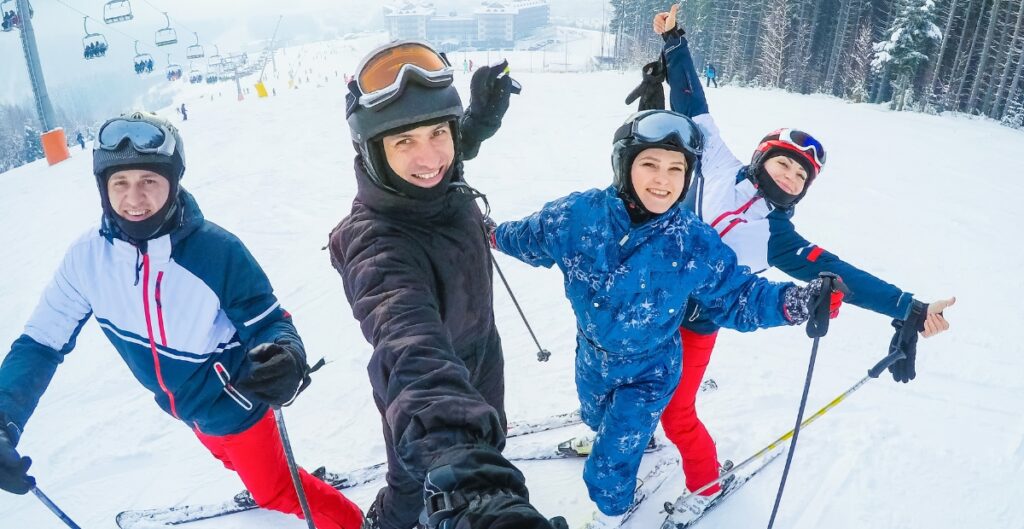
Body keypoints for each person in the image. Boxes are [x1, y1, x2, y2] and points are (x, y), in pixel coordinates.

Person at [643, 4, 956, 517]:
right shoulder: (717, 162)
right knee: (629, 383)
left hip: (699, 323)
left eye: (801, 177)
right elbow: (692, 102)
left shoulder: (778, 239)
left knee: (679, 414)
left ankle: (705, 486)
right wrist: (674, 42)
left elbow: (845, 274)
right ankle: (631, 437)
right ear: (762, 156)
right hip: (651, 299)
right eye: (784, 163)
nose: (790, 177)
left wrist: (911, 307)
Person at [0, 112, 364, 529]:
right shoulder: (87, 261)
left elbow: (269, 322)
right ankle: (265, 472)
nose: (134, 199)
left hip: (237, 407)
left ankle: (353, 521)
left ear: (172, 184)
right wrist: (3, 415)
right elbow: (40, 343)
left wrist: (286, 355)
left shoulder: (217, 251)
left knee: (278, 490)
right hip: (188, 411)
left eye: (149, 182)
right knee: (231, 458)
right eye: (120, 183)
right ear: (103, 187)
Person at [489, 108, 843, 524]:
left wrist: (794, 302)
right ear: (625, 165)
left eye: (677, 169)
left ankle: (609, 514)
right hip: (593, 357)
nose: (663, 180)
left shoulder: (691, 241)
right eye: (650, 164)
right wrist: (488, 233)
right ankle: (620, 438)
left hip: (652, 370)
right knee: (596, 416)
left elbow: (737, 295)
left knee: (610, 466)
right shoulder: (576, 217)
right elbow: (526, 237)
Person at [328, 41, 559, 529]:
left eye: (439, 131)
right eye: (403, 141)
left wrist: (479, 121)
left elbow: (446, 164)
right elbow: (408, 342)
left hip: (480, 359)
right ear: (373, 152)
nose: (429, 156)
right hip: (421, 397)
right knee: (414, 486)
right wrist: (470, 484)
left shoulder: (435, 181)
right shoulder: (377, 245)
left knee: (487, 435)